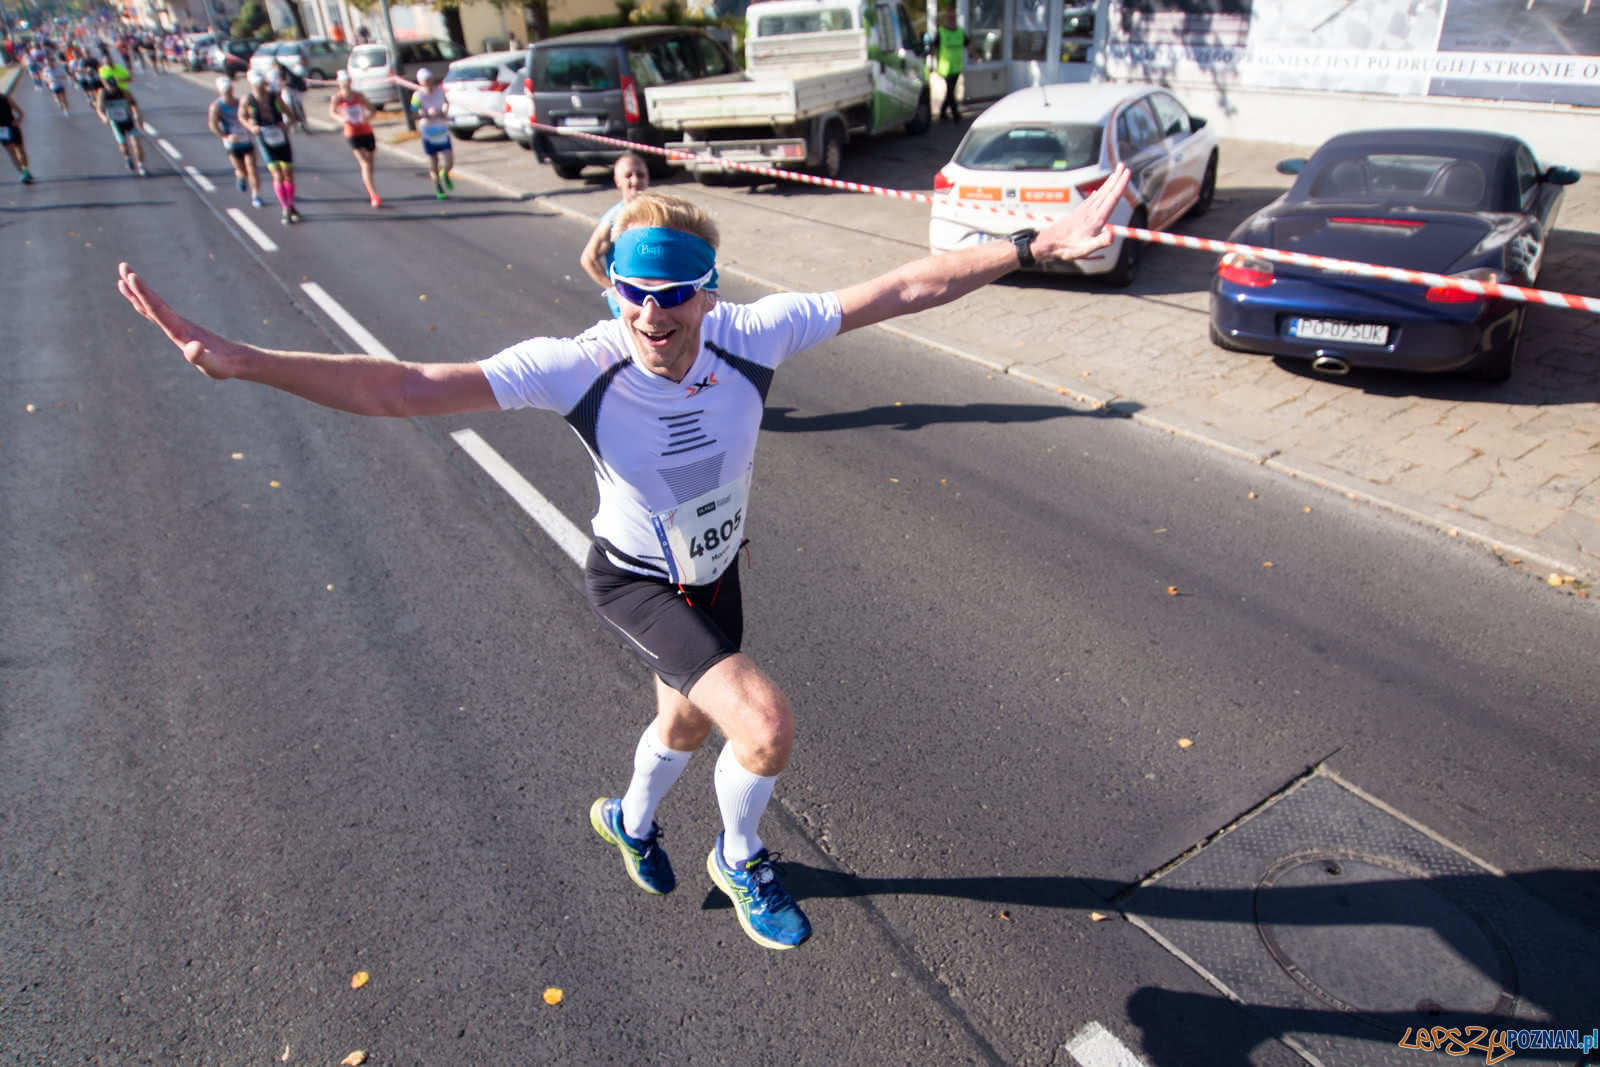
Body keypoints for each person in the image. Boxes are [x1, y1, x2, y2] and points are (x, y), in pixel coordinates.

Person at [113, 166, 1130, 951]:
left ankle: (626, 817)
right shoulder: (576, 365)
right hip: (635, 578)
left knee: (683, 720)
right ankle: (740, 856)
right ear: (611, 291)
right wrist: (243, 361)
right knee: (763, 725)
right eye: (631, 292)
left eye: (675, 293)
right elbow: (407, 385)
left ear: (708, 292)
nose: (652, 314)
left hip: (716, 570)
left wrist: (1028, 243)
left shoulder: (755, 334)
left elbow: (905, 283)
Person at [579, 152, 651, 313]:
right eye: (628, 176)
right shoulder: (613, 219)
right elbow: (588, 259)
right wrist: (614, 290)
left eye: (640, 175)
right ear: (617, 181)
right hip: (628, 306)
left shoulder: (653, 211)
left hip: (649, 298)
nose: (635, 180)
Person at [240, 69, 301, 224]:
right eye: (257, 85)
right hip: (264, 138)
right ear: (251, 85)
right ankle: (285, 208)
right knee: (277, 175)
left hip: (280, 136)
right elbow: (242, 116)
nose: (260, 88)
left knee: (288, 173)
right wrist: (251, 126)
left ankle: (290, 204)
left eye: (261, 85)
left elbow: (290, 113)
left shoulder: (274, 97)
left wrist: (287, 124)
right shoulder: (248, 100)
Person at [208, 76, 263, 208]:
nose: (229, 92)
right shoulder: (216, 107)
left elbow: (250, 116)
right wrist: (225, 136)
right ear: (220, 91)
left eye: (230, 90)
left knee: (252, 167)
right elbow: (213, 125)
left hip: (246, 139)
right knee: (241, 170)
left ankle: (256, 195)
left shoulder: (241, 103)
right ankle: (241, 177)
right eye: (226, 91)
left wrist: (251, 123)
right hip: (232, 143)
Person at [330, 70, 381, 208]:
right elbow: (332, 112)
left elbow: (373, 110)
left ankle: (369, 183)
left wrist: (367, 118)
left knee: (370, 163)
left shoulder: (359, 96)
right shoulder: (338, 98)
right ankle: (373, 195)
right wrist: (342, 119)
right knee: (364, 162)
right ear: (339, 83)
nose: (346, 85)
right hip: (352, 133)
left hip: (366, 130)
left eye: (348, 82)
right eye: (343, 82)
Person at [410, 67, 454, 199]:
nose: (428, 83)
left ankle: (444, 172)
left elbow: (446, 103)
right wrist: (425, 114)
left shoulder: (439, 91)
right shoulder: (417, 96)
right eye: (425, 81)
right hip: (428, 131)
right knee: (433, 161)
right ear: (421, 83)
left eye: (430, 80)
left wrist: (444, 112)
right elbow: (413, 113)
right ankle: (439, 187)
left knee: (449, 160)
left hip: (441, 129)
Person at [96, 74, 147, 175]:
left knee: (136, 142)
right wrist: (103, 117)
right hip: (115, 122)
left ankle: (140, 165)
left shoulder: (124, 92)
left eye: (114, 87)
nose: (113, 90)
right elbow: (99, 108)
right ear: (105, 85)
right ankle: (127, 156)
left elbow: (133, 103)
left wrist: (137, 115)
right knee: (123, 144)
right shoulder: (102, 93)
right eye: (110, 87)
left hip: (128, 119)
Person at [926, 7, 969, 122]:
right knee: (951, 91)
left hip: (956, 68)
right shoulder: (941, 33)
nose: (951, 19)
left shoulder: (960, 32)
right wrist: (930, 65)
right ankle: (956, 115)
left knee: (950, 91)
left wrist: (976, 56)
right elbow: (933, 50)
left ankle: (943, 112)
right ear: (946, 19)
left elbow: (968, 44)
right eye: (949, 17)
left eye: (953, 17)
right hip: (945, 69)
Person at [0, 89, 33, 184]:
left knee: (20, 150)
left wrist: (18, 121)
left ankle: (25, 170)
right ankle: (23, 173)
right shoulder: (4, 97)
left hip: (12, 127)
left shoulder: (5, 98)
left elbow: (20, 112)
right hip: (3, 130)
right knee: (13, 153)